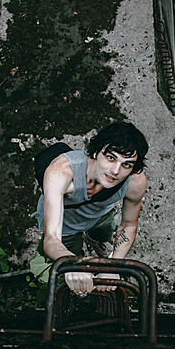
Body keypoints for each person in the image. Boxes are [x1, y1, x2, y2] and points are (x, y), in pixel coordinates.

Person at [34, 122, 149, 296]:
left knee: (103, 234)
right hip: (66, 224)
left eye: (126, 164)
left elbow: (129, 224)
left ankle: (94, 242)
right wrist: (71, 263)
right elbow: (51, 239)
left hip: (100, 214)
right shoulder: (60, 173)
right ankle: (79, 255)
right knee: (71, 251)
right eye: (111, 157)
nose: (116, 171)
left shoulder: (135, 182)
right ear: (96, 152)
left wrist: (113, 265)